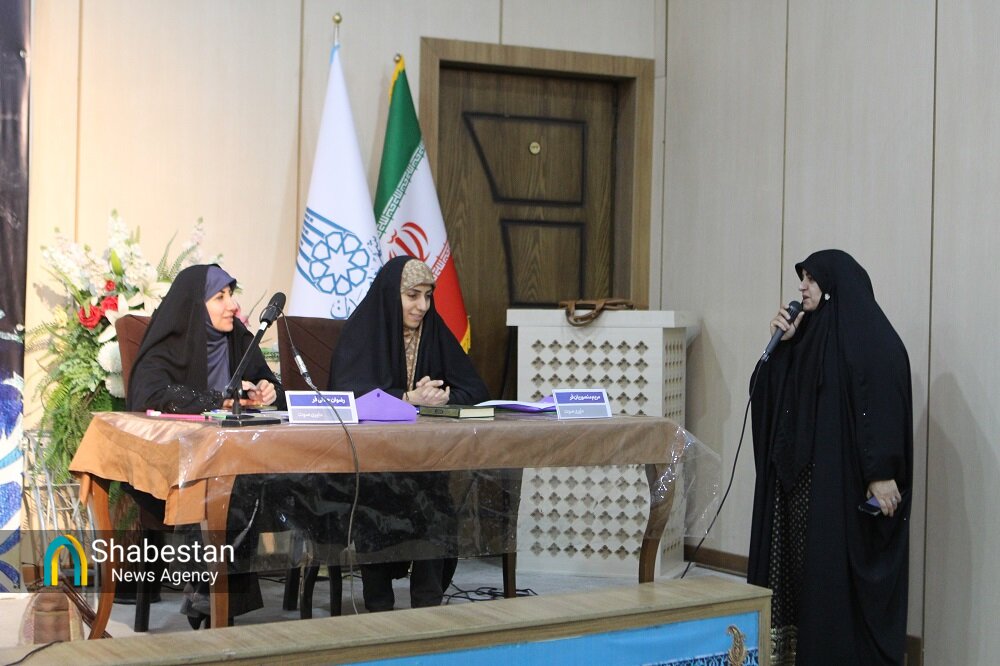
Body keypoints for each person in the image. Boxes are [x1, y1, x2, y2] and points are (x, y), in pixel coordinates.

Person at [748, 250, 912, 665]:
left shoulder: (870, 339)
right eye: (801, 277)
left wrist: (880, 470)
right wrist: (782, 348)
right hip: (798, 496)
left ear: (833, 285)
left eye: (811, 278)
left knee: (832, 586)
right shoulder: (804, 335)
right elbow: (772, 399)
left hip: (838, 492)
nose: (801, 286)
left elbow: (879, 405)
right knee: (802, 581)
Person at [126, 263, 286, 628]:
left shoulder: (238, 338)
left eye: (231, 295)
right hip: (176, 467)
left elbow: (270, 384)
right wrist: (222, 399)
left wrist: (268, 391)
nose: (233, 305)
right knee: (226, 489)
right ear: (195, 305)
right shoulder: (169, 342)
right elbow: (152, 395)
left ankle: (212, 603)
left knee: (244, 484)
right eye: (220, 297)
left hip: (240, 462)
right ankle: (215, 603)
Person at [329, 255, 489, 611]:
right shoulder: (362, 331)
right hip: (369, 466)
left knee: (432, 499)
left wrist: (443, 398)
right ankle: (378, 607)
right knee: (379, 501)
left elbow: (476, 389)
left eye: (428, 296)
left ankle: (428, 606)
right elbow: (346, 396)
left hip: (423, 461)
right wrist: (405, 398)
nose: (422, 306)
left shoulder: (433, 330)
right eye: (412, 296)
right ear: (392, 295)